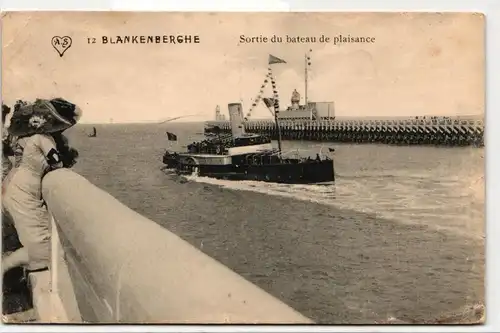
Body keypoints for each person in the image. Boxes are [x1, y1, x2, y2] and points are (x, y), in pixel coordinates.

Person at [2, 98, 81, 275]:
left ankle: (8, 266)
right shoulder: (43, 139)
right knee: (41, 250)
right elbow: (56, 162)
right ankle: (4, 267)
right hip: (25, 191)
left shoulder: (26, 139)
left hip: (14, 185)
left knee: (33, 240)